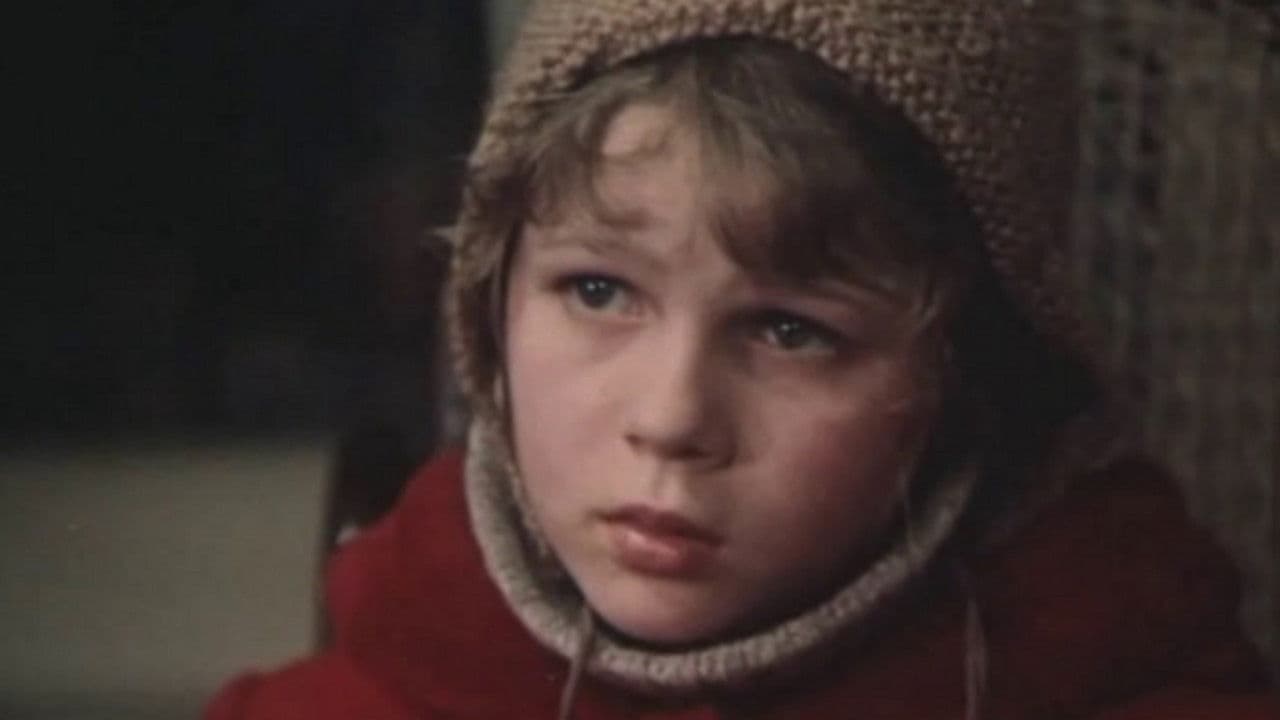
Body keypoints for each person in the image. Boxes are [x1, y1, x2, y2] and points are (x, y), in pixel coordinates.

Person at [205, 1, 1280, 718]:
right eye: (597, 291)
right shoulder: (365, 679)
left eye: (790, 330)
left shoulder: (1127, 662)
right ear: (492, 305)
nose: (671, 419)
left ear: (964, 374)